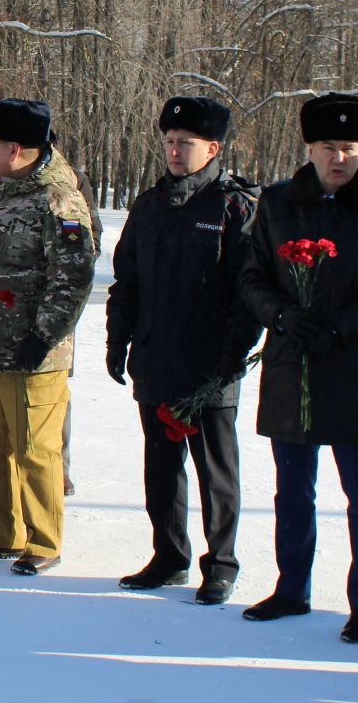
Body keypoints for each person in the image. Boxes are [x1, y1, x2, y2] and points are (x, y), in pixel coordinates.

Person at [237, 92, 358, 643]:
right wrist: (284, 316)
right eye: (329, 147)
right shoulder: (279, 202)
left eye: (351, 148)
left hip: (350, 364)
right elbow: (251, 277)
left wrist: (341, 327)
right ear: (309, 148)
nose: (340, 158)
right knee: (292, 486)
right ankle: (293, 587)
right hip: (292, 361)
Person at [104, 97, 260, 604]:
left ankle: (221, 564)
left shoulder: (234, 207)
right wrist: (117, 339)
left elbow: (249, 290)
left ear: (212, 148)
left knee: (216, 472)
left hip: (209, 365)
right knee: (160, 468)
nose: (174, 150)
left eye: (185, 143)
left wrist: (233, 352)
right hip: (155, 358)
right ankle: (169, 556)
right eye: (169, 142)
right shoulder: (149, 207)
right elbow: (126, 281)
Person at [0, 99, 95, 574]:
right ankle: (0, 533)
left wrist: (44, 336)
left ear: (17, 149)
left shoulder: (58, 199)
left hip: (33, 354)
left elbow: (72, 277)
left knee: (35, 449)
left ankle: (43, 541)